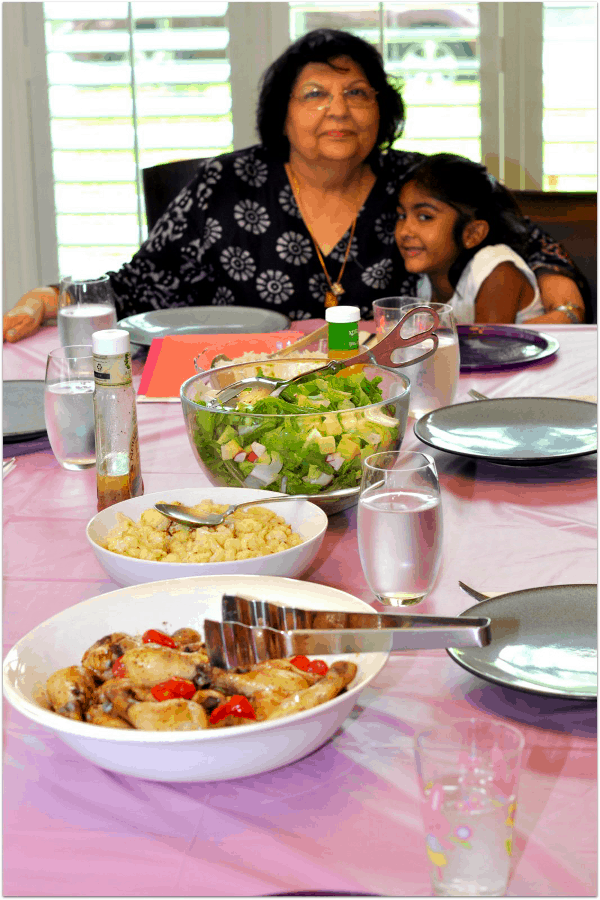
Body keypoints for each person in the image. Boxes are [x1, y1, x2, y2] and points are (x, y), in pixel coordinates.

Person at [3, 28, 587, 343]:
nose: (339, 111)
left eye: (357, 93)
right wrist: (46, 300)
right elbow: (142, 284)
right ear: (281, 114)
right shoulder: (225, 184)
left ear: (382, 112)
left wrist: (561, 304)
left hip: (389, 391)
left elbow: (525, 241)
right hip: (248, 399)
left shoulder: (416, 180)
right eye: (315, 95)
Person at [394, 152, 585, 325]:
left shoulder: (496, 270)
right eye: (402, 215)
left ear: (473, 234)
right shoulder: (428, 279)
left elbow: (486, 351)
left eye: (425, 216)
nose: (405, 231)